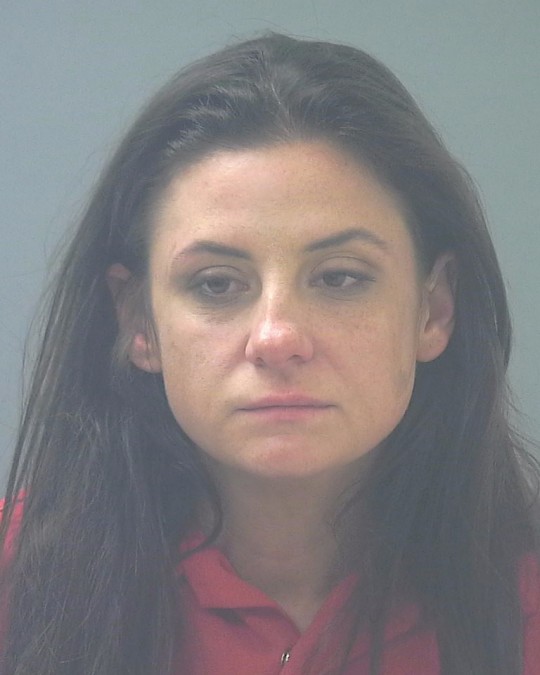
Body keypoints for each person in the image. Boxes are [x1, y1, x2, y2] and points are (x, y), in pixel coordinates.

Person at [0, 32, 538, 675]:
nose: (277, 337)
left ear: (434, 310)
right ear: (139, 321)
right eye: (216, 285)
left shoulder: (524, 598)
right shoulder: (15, 577)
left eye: (340, 277)